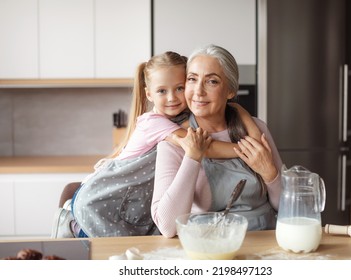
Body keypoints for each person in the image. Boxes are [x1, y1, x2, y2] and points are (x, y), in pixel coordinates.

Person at [52, 51, 261, 238]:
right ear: (149, 94)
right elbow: (200, 148)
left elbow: (227, 111)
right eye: (162, 91)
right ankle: (69, 223)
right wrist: (248, 151)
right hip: (100, 200)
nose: (172, 98)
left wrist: (241, 113)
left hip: (131, 203)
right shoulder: (153, 123)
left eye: (179, 88)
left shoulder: (185, 117)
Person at [151, 45, 283, 238]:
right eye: (192, 79)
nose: (198, 91)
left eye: (212, 81)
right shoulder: (174, 140)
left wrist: (270, 174)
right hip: (208, 246)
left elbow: (290, 208)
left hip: (265, 241)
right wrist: (192, 157)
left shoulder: (256, 129)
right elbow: (167, 227)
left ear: (230, 90)